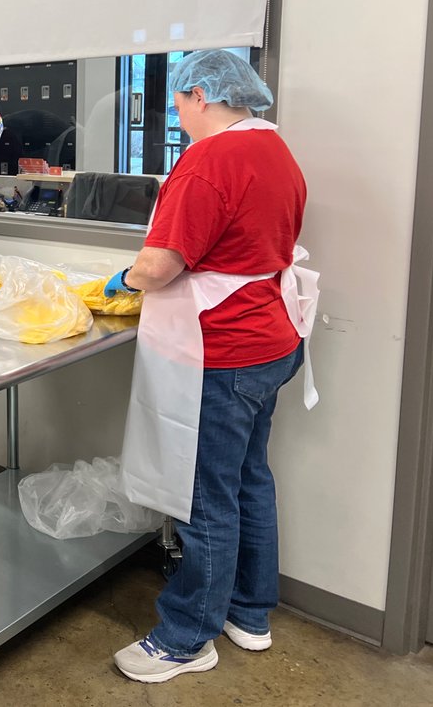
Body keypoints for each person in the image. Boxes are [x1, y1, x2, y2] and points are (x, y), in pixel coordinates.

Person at [107, 50, 319, 683]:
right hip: (277, 340)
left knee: (206, 497)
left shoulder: (208, 162)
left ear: (202, 94)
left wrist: (120, 279)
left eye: (178, 103)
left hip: (224, 352)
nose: (179, 116)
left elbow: (160, 266)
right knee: (249, 477)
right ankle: (249, 614)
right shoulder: (276, 151)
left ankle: (185, 637)